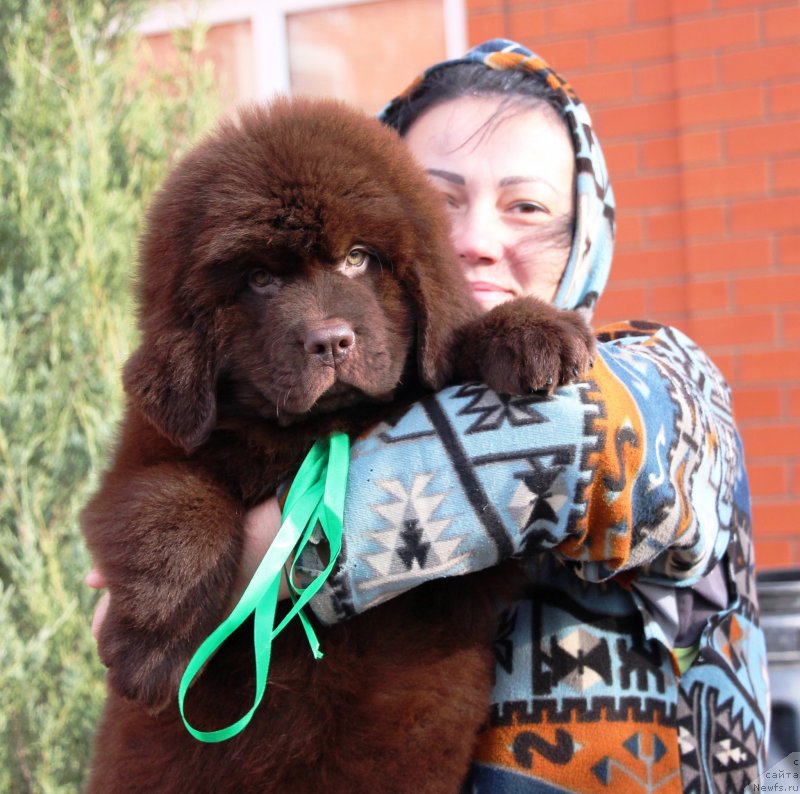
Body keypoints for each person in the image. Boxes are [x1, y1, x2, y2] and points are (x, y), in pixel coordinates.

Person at [88, 39, 768, 792]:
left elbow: (573, 440)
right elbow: (157, 478)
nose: (474, 241)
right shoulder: (306, 375)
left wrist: (264, 556)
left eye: (527, 207)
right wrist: (176, 548)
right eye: (441, 202)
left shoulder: (667, 378)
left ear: (587, 233)